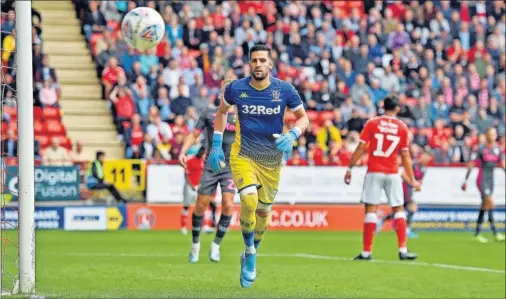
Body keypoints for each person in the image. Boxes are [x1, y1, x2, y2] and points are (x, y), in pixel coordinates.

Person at [207, 44, 309, 288]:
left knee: (263, 213)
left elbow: (303, 117)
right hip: (243, 155)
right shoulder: (236, 88)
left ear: (270, 64)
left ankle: (250, 252)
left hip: (271, 160)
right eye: (254, 61)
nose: (258, 64)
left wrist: (294, 133)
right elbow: (221, 113)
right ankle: (250, 252)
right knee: (249, 201)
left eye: (262, 60)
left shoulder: (285, 90)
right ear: (249, 64)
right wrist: (216, 143)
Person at [344, 96, 420, 261]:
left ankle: (366, 252)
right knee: (398, 209)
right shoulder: (402, 127)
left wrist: (350, 167)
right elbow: (406, 155)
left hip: (374, 171)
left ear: (382, 107)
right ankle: (403, 250)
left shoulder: (372, 123)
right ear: (397, 109)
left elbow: (361, 147)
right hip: (393, 172)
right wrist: (412, 179)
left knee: (370, 210)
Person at [178, 92, 237, 263]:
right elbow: (194, 134)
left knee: (227, 204)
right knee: (200, 205)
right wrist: (183, 151)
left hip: (231, 167)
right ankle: (195, 245)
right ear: (221, 95)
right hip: (211, 165)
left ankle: (216, 246)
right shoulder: (209, 113)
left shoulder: (242, 116)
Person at [461, 127, 505, 243]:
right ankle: (495, 232)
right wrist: (465, 181)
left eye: (494, 134)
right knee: (490, 203)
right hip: (482, 179)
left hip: (491, 181)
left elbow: (503, 165)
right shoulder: (480, 149)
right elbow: (471, 164)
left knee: (484, 206)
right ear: (486, 135)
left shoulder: (498, 150)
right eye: (490, 134)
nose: (493, 136)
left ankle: (477, 232)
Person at [377, 151, 432, 238]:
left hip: (410, 189)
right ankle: (406, 229)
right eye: (425, 158)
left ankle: (383, 220)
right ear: (421, 156)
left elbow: (420, 180)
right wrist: (413, 183)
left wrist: (418, 186)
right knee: (412, 208)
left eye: (428, 159)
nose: (426, 160)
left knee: (400, 210)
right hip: (404, 188)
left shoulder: (424, 168)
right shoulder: (414, 164)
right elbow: (403, 174)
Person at [180, 146, 205, 235]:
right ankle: (183, 227)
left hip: (198, 186)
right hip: (189, 186)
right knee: (186, 206)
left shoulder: (203, 161)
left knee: (200, 206)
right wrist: (191, 185)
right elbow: (186, 174)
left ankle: (201, 226)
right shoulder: (191, 160)